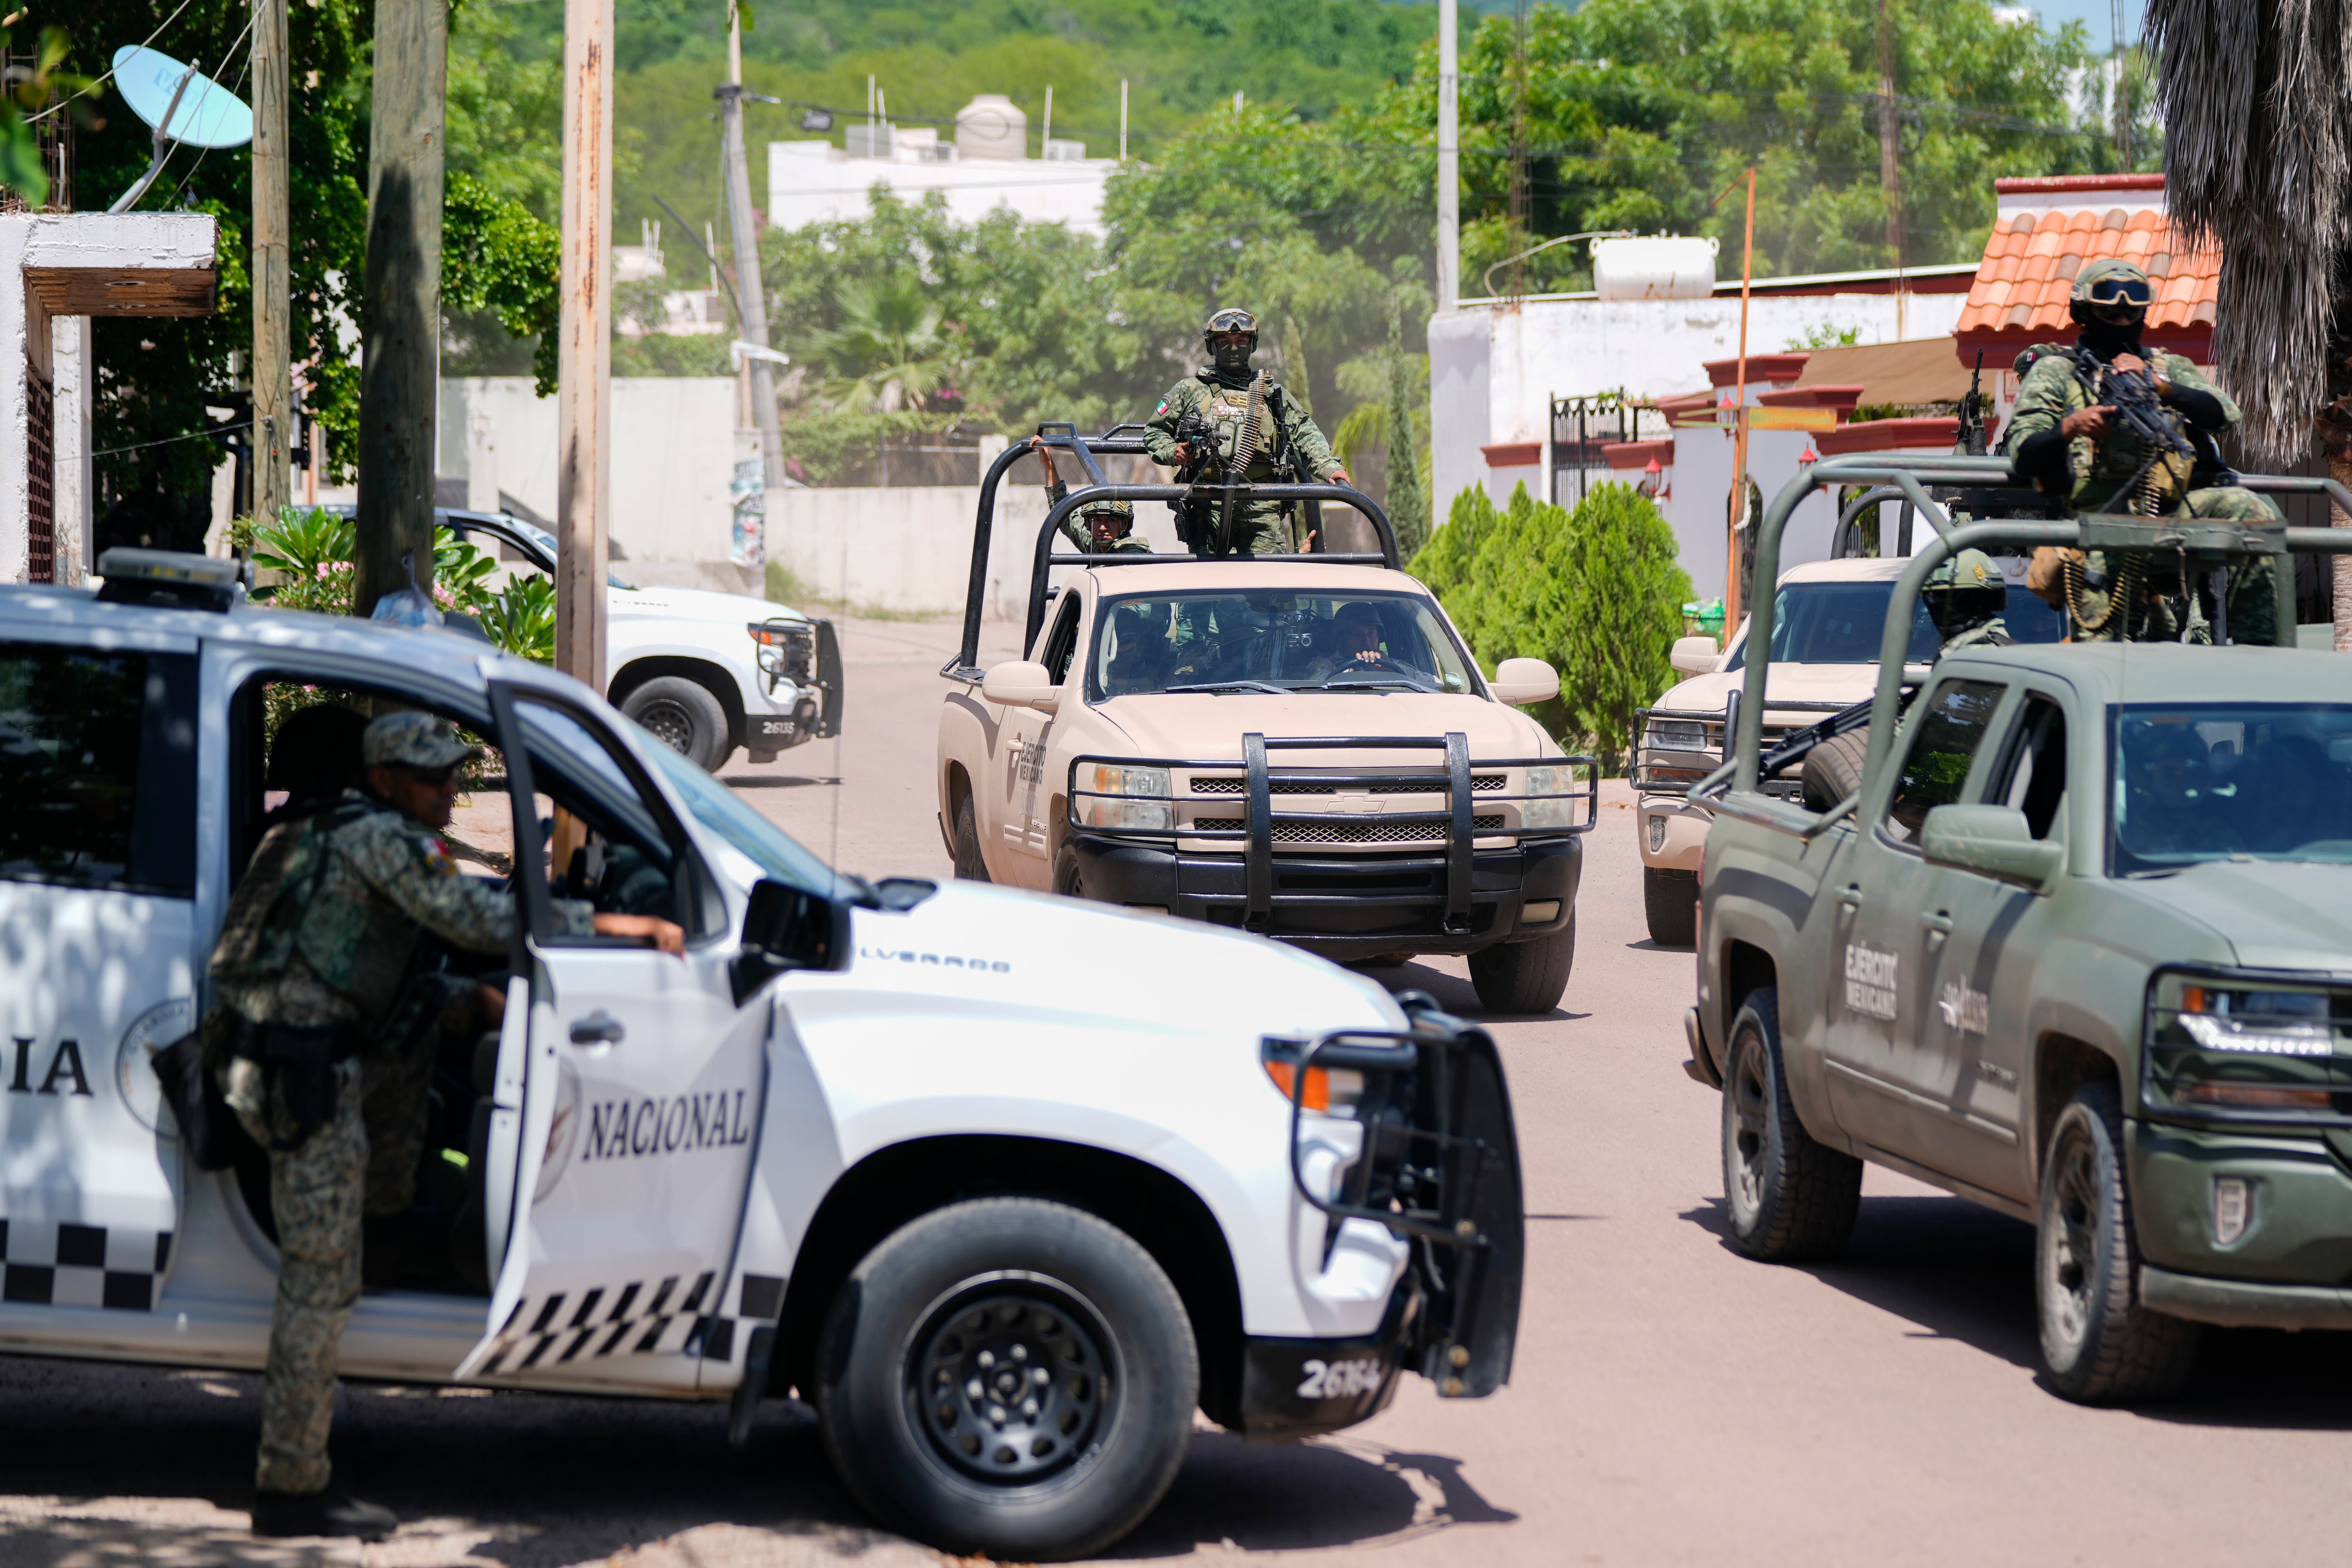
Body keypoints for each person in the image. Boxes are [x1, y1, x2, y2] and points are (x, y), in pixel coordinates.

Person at [208, 711, 684, 1541]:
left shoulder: (328, 828)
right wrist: (620, 926)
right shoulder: (385, 838)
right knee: (319, 1286)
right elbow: (479, 923)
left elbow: (370, 960)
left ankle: (388, 1231)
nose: (450, 790)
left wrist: (468, 1003)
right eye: (433, 779)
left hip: (288, 1052)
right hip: (303, 1069)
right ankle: (292, 1483)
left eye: (453, 776)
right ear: (386, 781)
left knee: (440, 1047)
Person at [2006, 258, 2280, 643]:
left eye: (2131, 311)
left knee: (2255, 510)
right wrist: (2073, 426)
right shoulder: (2057, 372)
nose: (2121, 320)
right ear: (2083, 312)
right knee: (2103, 659)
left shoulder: (2167, 367)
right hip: (2099, 527)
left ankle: (2261, 653)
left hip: (2171, 515)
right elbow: (2024, 453)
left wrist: (2162, 387)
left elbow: (2225, 415)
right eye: (2110, 310)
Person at [1143, 308, 1350, 556]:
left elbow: (1304, 433)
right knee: (1208, 586)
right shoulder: (1190, 389)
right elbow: (1154, 432)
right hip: (1208, 502)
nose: (1234, 347)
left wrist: (1329, 468)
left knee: (1267, 585)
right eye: (1225, 341)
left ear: (1252, 345)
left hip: (1262, 503)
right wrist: (1173, 452)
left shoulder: (1271, 393)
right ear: (1213, 345)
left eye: (1241, 341)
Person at [1029, 436, 1151, 555]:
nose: (1103, 527)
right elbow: (1064, 515)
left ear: (1125, 524)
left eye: (1111, 520)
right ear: (1088, 523)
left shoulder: (1133, 554)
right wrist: (1049, 465)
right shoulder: (1093, 546)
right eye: (1096, 520)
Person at [1921, 549, 2013, 653]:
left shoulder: (1971, 655)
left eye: (1943, 594)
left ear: (1976, 597)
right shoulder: (2000, 642)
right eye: (1931, 596)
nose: (1935, 602)